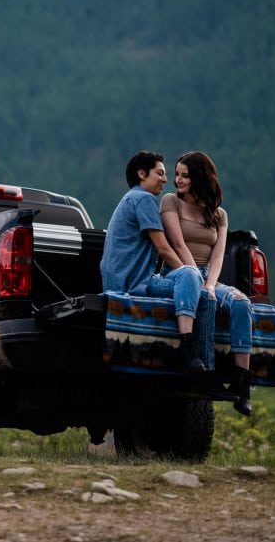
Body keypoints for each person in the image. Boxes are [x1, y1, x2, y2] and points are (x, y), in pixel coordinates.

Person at [100, 151, 228, 396]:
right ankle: (192, 355)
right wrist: (192, 278)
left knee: (191, 281)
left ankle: (203, 366)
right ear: (142, 174)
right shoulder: (144, 199)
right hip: (137, 285)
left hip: (122, 282)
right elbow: (164, 248)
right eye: (160, 173)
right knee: (192, 281)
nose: (165, 179)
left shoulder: (130, 198)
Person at [160, 151, 254, 415]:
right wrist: (198, 280)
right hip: (179, 272)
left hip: (208, 274)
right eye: (176, 174)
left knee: (241, 304)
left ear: (199, 178)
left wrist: (211, 284)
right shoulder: (170, 203)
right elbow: (177, 244)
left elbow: (218, 254)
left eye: (184, 176)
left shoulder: (219, 214)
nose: (177, 180)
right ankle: (207, 372)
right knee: (204, 297)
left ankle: (242, 384)